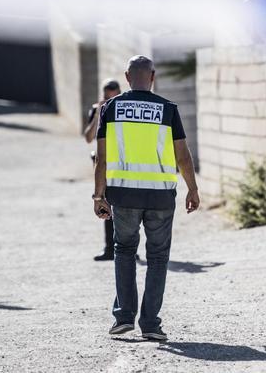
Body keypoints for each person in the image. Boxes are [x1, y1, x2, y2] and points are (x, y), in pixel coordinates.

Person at [92, 55, 200, 342]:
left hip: (124, 195)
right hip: (161, 198)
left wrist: (98, 195)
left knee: (124, 251)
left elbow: (101, 158)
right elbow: (183, 156)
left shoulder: (112, 108)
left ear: (127, 77)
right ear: (152, 76)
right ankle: (151, 323)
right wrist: (193, 188)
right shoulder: (167, 109)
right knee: (158, 257)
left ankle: (124, 317)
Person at [84, 78, 121, 261]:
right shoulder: (97, 109)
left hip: (120, 165)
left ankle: (127, 249)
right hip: (103, 166)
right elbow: (88, 137)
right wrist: (99, 113)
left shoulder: (124, 111)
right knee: (106, 207)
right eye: (108, 98)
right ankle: (109, 249)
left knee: (123, 209)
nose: (111, 101)